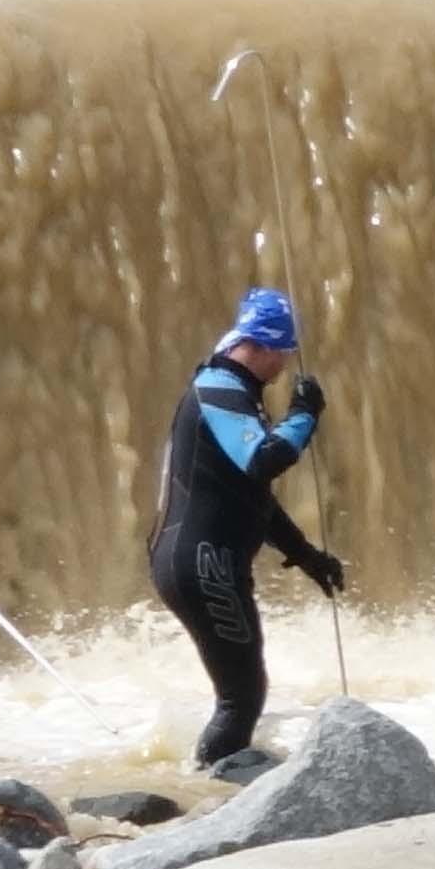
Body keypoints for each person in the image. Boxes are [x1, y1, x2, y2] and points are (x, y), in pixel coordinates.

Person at [151, 287, 344, 771]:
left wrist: (307, 557)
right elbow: (264, 461)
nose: (284, 366)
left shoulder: (234, 390)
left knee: (244, 690)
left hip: (199, 559)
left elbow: (254, 500)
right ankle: (214, 795)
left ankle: (215, 784)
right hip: (201, 562)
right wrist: (304, 415)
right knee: (242, 697)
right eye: (283, 354)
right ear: (261, 347)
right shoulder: (219, 387)